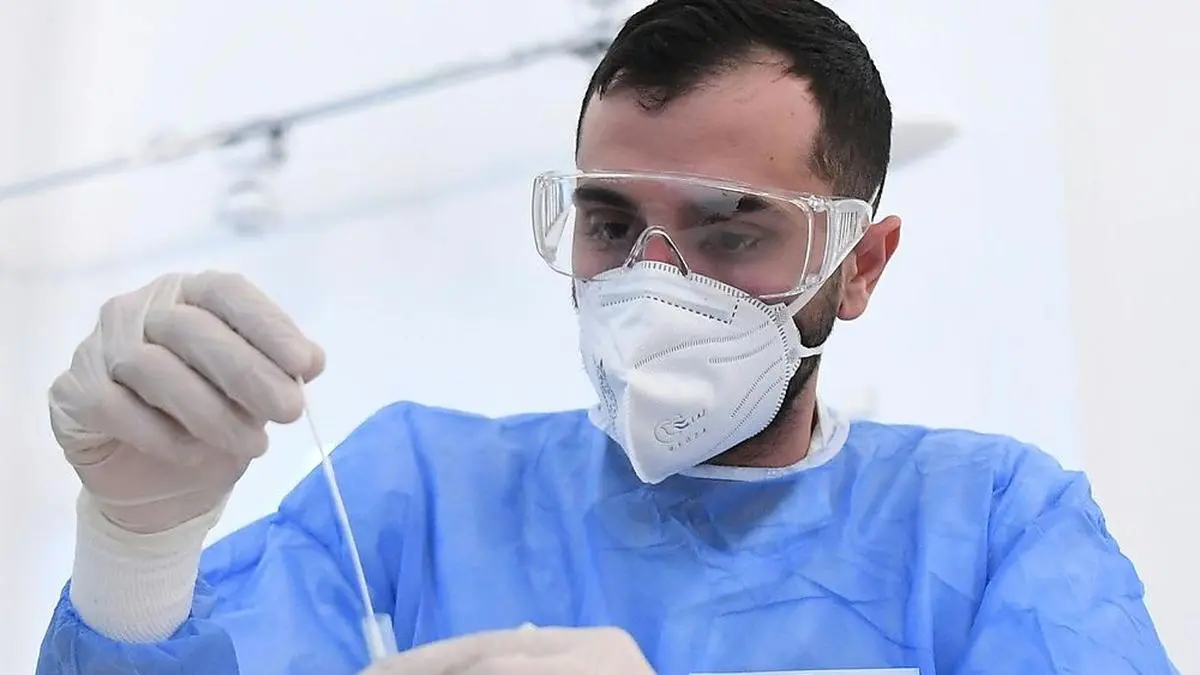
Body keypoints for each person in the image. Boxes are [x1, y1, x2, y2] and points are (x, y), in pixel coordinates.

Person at [36, 0, 1177, 673]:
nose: (651, 284)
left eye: (734, 235)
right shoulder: (417, 497)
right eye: (610, 222)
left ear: (860, 267)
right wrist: (137, 555)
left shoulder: (989, 530)